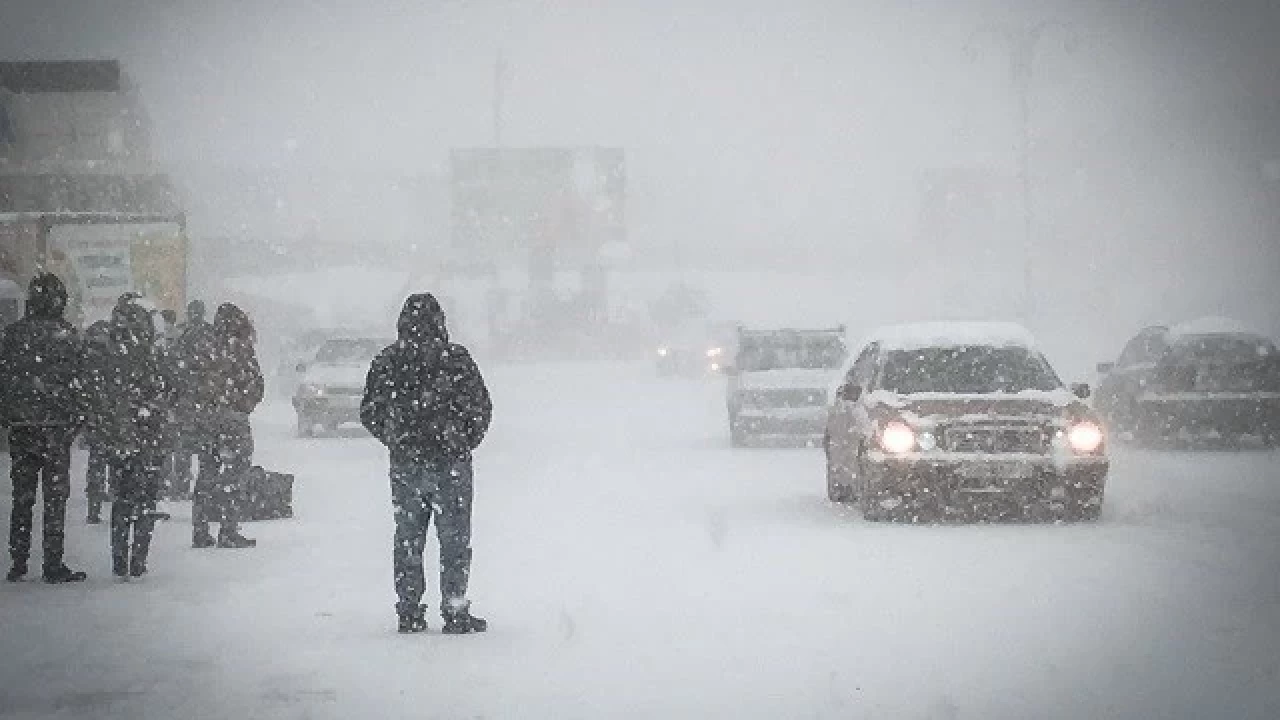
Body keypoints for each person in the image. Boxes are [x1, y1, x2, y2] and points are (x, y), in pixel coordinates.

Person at [361, 293, 492, 634]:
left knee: (408, 537)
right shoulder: (456, 360)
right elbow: (481, 406)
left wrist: (396, 437)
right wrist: (461, 439)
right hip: (450, 464)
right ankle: (455, 609)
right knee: (455, 541)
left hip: (406, 465)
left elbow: (370, 410)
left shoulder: (388, 361)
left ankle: (409, 611)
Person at [0, 273, 88, 583]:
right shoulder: (67, 336)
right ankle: (52, 561)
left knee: (22, 498)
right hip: (55, 427)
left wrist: (8, 415)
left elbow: (4, 379)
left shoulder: (12, 336)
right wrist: (76, 418)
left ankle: (18, 561)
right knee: (54, 498)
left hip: (22, 426)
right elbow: (80, 384)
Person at [83, 301, 174, 579]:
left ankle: (119, 559)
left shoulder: (108, 356)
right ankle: (138, 559)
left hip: (120, 438)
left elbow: (96, 392)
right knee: (146, 499)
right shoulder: (151, 356)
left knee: (122, 499)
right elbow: (169, 387)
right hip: (148, 436)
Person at [189, 302, 262, 549]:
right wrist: (243, 406)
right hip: (233, 420)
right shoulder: (241, 348)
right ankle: (228, 529)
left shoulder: (205, 347)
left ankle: (200, 530)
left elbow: (192, 383)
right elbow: (255, 384)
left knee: (207, 472)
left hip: (206, 419)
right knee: (235, 473)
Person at [168, 300, 213, 500]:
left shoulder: (183, 337)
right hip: (205, 400)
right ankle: (205, 487)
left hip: (187, 399)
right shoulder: (211, 335)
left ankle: (182, 486)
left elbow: (174, 368)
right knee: (206, 448)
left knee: (183, 447)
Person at [82, 319, 113, 524]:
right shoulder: (114, 358)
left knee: (96, 462)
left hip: (97, 416)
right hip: (112, 416)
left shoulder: (87, 359)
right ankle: (114, 497)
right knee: (115, 462)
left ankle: (94, 506)